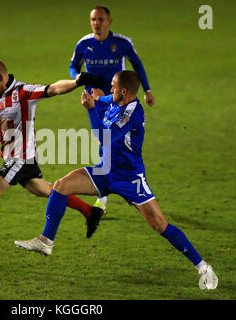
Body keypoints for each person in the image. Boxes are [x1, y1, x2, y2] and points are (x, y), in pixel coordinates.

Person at [14, 70, 218, 290]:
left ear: (124, 91)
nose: (110, 90)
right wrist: (92, 95)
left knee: (160, 225)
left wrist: (91, 110)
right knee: (61, 186)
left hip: (130, 179)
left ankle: (204, 268)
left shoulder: (132, 114)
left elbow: (103, 138)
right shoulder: (115, 100)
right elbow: (102, 99)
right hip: (105, 171)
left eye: (113, 86)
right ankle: (46, 241)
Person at [0, 57, 104, 265]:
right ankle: (90, 211)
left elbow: (54, 89)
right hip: (15, 156)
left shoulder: (23, 92)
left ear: (1, 77)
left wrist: (77, 82)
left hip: (20, 158)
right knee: (43, 190)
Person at [69, 5, 156, 213]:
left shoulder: (122, 43)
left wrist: (147, 90)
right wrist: (79, 78)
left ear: (109, 21)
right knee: (103, 141)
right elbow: (74, 65)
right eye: (93, 20)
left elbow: (138, 65)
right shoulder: (84, 44)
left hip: (118, 100)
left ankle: (118, 189)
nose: (96, 23)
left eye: (100, 19)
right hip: (96, 99)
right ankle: (107, 193)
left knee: (109, 140)